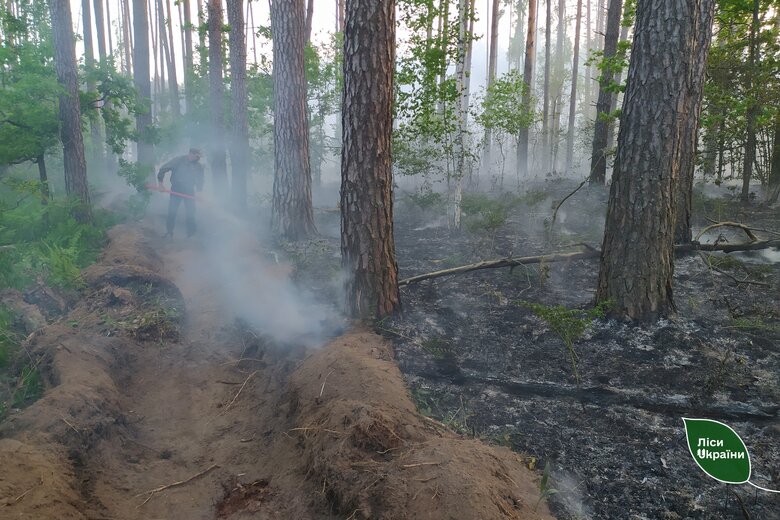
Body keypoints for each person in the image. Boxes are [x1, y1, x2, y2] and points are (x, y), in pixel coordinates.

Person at [157, 148, 205, 238]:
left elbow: (200, 180)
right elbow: (163, 169)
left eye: (199, 157)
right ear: (191, 154)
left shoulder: (198, 166)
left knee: (191, 212)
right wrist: (160, 184)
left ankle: (191, 234)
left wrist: (199, 192)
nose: (198, 158)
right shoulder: (178, 160)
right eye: (197, 156)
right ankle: (169, 232)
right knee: (172, 211)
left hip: (189, 191)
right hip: (176, 190)